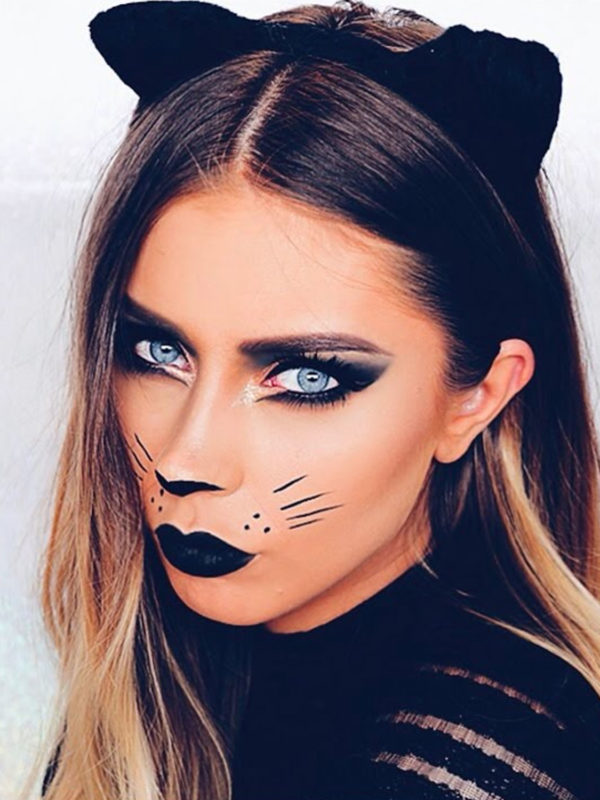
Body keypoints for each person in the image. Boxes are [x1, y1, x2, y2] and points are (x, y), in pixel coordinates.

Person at [32, 1, 600, 799]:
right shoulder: (154, 686)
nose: (188, 460)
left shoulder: (488, 758)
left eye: (306, 378)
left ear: (477, 395)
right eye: (159, 352)